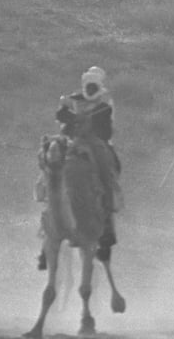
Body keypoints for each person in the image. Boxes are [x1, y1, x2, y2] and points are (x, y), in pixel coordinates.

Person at [37, 66, 122, 269]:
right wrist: (73, 118)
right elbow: (60, 114)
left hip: (95, 143)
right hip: (71, 141)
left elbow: (106, 131)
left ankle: (107, 225)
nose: (90, 89)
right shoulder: (73, 99)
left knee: (106, 171)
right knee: (51, 159)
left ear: (99, 86)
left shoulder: (105, 104)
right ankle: (46, 226)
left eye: (94, 86)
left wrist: (90, 124)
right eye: (88, 85)